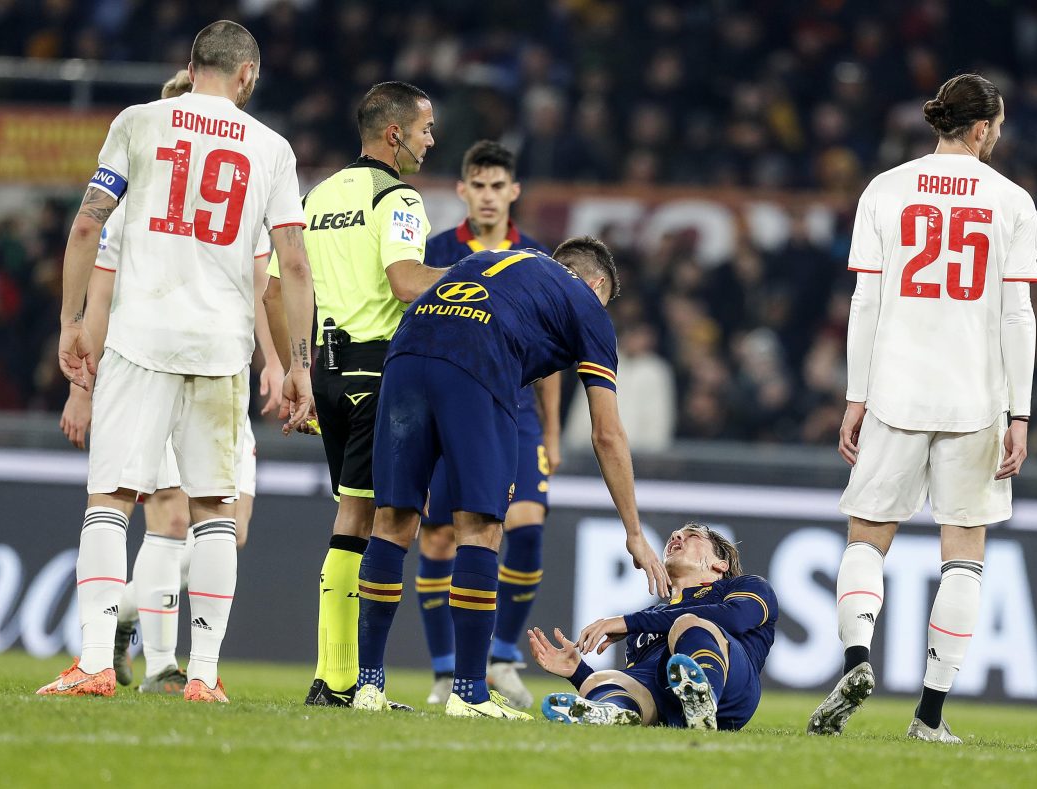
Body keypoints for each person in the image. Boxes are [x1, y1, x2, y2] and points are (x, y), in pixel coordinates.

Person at [39, 20, 315, 703]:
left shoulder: (138, 122)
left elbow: (86, 225)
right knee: (216, 509)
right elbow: (293, 264)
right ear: (247, 75)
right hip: (222, 346)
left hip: (142, 340)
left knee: (112, 499)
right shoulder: (272, 147)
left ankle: (96, 661)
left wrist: (71, 321)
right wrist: (298, 363)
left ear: (191, 67)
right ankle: (201, 674)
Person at [808, 73, 1037, 743]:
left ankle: (856, 659)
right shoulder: (1012, 200)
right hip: (976, 397)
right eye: (995, 126)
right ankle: (929, 716)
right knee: (964, 553)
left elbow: (865, 304)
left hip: (894, 391)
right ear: (980, 129)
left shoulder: (884, 188)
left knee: (866, 538)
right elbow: (1017, 314)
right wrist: (1020, 412)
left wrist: (855, 396)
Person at [353, 236, 671, 720]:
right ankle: (469, 692)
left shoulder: (490, 260)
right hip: (477, 364)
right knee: (480, 527)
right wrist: (634, 531)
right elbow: (607, 434)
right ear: (597, 283)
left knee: (393, 519)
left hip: (406, 352)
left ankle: (368, 686)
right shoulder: (588, 305)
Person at [262, 80, 445, 707]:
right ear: (394, 133)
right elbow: (404, 282)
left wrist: (299, 369)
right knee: (369, 523)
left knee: (353, 516)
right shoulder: (397, 200)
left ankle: (332, 676)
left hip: (329, 376)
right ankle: (339, 677)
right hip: (378, 376)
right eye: (424, 128)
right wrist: (486, 273)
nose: (430, 139)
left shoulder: (317, 197)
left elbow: (274, 289)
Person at [417, 140, 559, 708]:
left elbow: (550, 353)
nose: (489, 195)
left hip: (518, 415)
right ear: (462, 190)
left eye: (498, 185)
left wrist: (550, 430)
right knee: (439, 536)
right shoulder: (435, 250)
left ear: (514, 192)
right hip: (447, 411)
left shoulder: (537, 258)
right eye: (479, 184)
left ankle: (501, 657)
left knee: (525, 527)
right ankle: (445, 671)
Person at [530, 523, 776, 730]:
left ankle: (704, 700)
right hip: (669, 701)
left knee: (687, 624)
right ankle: (610, 713)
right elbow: (644, 679)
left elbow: (735, 618)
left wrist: (628, 621)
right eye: (675, 535)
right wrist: (578, 671)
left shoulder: (744, 587)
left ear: (720, 564)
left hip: (733, 696)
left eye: (692, 535)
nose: (677, 536)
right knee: (602, 678)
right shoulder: (648, 620)